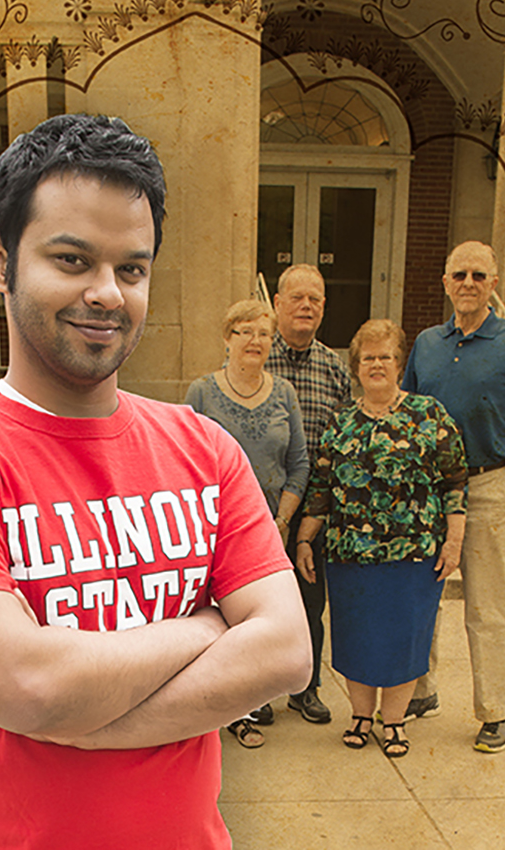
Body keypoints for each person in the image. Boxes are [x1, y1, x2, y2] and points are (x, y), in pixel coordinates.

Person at [0, 114, 311, 850]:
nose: (107, 293)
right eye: (72, 260)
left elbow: (287, 653)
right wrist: (207, 627)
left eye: (131, 268)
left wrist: (83, 723)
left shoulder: (205, 448)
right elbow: (27, 684)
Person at [400, 240, 505, 754]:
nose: (468, 283)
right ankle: (420, 692)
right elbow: (409, 409)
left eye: (478, 276)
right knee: (422, 599)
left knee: (488, 607)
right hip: (430, 491)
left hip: (488, 486)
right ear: (445, 283)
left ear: (493, 284)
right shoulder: (427, 343)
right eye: (459, 274)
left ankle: (495, 711)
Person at [295, 319, 467, 759]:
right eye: (368, 358)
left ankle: (393, 723)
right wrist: (303, 540)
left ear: (399, 363)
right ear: (355, 367)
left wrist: (454, 541)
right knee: (356, 636)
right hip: (351, 555)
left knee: (405, 639)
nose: (377, 365)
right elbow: (322, 486)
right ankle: (360, 716)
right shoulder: (343, 422)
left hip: (414, 555)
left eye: (385, 357)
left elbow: (454, 482)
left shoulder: (429, 415)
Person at [185, 299, 309, 747]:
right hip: (219, 529)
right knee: (227, 619)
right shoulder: (201, 392)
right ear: (227, 339)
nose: (254, 341)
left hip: (274, 525)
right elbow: (188, 464)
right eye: (244, 332)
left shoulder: (285, 394)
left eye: (262, 333)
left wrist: (281, 519)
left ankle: (259, 698)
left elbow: (298, 463)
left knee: (264, 617)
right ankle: (234, 713)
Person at [264, 263, 352, 725]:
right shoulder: (258, 356)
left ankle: (306, 687)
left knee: (309, 605)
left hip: (314, 510)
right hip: (260, 510)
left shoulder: (334, 368)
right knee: (258, 605)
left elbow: (341, 443)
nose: (306, 306)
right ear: (277, 304)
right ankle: (257, 693)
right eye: (296, 297)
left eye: (315, 299)